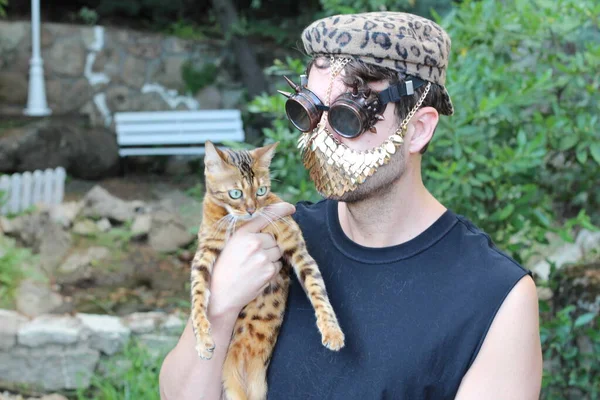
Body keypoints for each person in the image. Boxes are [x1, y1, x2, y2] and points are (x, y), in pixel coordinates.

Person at [159, 11, 542, 400]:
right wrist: (219, 305)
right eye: (309, 111)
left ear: (418, 129)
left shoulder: (495, 297)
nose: (324, 137)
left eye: (348, 115)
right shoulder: (270, 243)